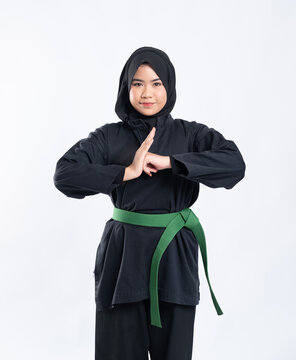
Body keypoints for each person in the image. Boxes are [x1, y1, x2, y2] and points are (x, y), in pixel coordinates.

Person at [53, 46, 246, 360]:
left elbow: (234, 165)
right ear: (126, 87)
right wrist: (126, 172)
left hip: (175, 258)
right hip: (123, 258)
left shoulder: (191, 134)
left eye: (156, 83)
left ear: (168, 87)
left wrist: (172, 162)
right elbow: (65, 175)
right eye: (137, 83)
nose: (147, 92)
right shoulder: (108, 138)